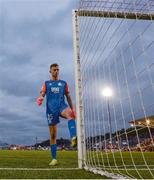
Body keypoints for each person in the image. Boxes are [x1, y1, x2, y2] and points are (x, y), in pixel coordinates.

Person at [36, 63, 77, 166]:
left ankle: (73, 137)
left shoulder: (63, 83)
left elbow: (68, 97)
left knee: (70, 115)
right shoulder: (46, 83)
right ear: (50, 71)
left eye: (57, 70)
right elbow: (42, 93)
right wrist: (40, 98)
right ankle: (54, 158)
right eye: (54, 70)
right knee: (53, 135)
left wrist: (73, 108)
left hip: (61, 106)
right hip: (51, 110)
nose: (56, 71)